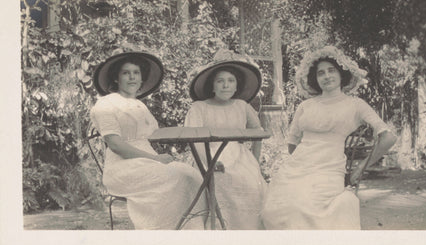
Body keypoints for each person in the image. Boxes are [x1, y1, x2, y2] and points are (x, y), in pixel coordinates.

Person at [261, 46, 397, 230]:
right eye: (320, 73)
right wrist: (300, 164)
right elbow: (293, 143)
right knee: (275, 209)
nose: (326, 76)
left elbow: (388, 137)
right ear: (315, 79)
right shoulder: (306, 105)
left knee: (305, 207)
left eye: (331, 70)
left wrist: (361, 167)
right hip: (296, 168)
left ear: (341, 74)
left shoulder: (355, 105)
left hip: (329, 169)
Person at [90, 52, 206, 230]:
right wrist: (155, 159)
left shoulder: (140, 105)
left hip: (148, 160)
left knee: (192, 176)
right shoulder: (106, 104)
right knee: (176, 176)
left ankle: (186, 232)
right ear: (116, 78)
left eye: (136, 73)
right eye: (126, 73)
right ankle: (158, 233)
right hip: (123, 166)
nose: (132, 77)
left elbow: (155, 135)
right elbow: (115, 145)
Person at [184, 49, 267, 230]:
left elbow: (258, 132)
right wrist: (209, 163)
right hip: (208, 155)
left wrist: (255, 159)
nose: (225, 86)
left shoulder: (242, 106)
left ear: (237, 86)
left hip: (240, 157)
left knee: (252, 184)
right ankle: (219, 229)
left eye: (230, 81)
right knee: (220, 181)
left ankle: (246, 230)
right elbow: (194, 140)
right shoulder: (199, 107)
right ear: (212, 86)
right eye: (220, 81)